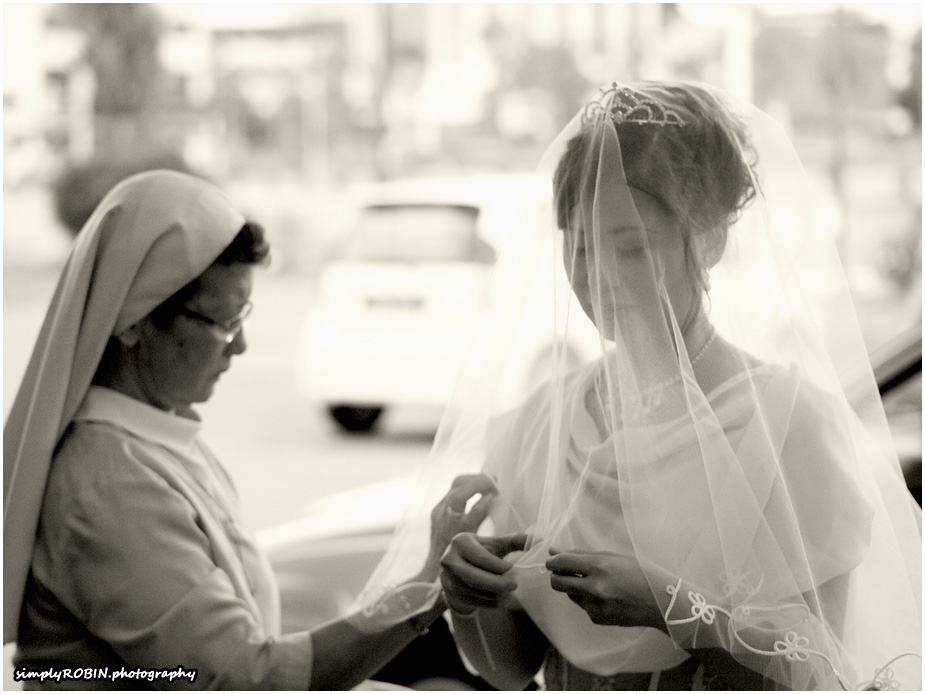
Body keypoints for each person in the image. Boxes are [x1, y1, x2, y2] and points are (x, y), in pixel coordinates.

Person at [352, 82, 923, 690]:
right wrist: (469, 598)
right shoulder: (540, 424)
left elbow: (817, 676)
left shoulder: (791, 427)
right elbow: (510, 667)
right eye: (581, 248)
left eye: (631, 248)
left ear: (708, 239)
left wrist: (667, 607)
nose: (601, 278)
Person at [3, 170, 497, 690]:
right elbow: (248, 679)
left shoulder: (156, 438)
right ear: (135, 320)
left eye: (244, 317)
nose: (239, 347)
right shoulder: (110, 485)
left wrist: (424, 584)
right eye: (224, 322)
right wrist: (428, 592)